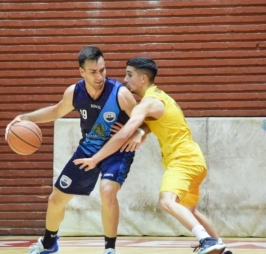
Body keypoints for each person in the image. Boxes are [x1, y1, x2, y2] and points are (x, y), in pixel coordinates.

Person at [73, 57, 232, 254]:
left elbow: (123, 133)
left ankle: (207, 241)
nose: (125, 79)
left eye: (129, 75)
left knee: (166, 201)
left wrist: (95, 158)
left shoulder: (147, 103)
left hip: (182, 161)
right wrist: (141, 131)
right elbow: (151, 123)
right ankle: (222, 248)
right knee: (189, 211)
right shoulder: (160, 97)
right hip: (195, 160)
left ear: (143, 79)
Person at [5, 46, 143, 254]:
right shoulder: (74, 92)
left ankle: (110, 249)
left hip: (117, 150)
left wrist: (135, 131)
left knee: (107, 192)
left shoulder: (120, 93)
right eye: (93, 71)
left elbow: (145, 119)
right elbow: (56, 111)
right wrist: (26, 118)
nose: (100, 76)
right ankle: (49, 242)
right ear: (82, 72)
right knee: (55, 199)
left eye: (103, 70)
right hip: (89, 148)